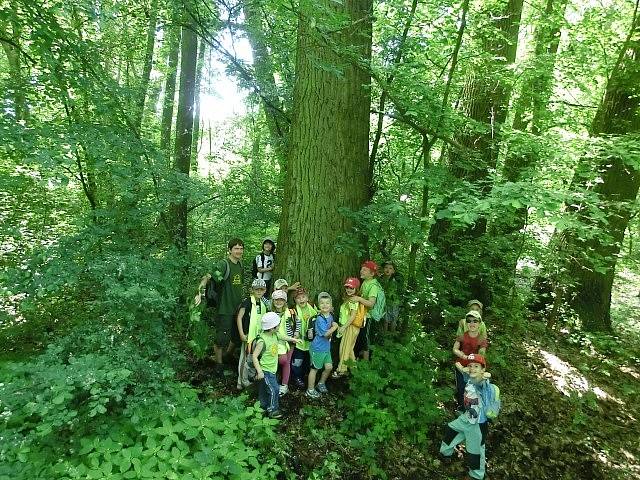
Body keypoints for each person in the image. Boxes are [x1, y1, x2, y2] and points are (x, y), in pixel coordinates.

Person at [440, 354, 500, 480]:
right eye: (470, 366)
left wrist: (483, 376)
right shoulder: (468, 378)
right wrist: (463, 366)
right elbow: (460, 366)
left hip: (477, 424)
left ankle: (476, 476)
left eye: (476, 366)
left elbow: (481, 382)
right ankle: (445, 454)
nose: (472, 368)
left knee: (475, 451)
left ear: (483, 369)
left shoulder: (483, 384)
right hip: (466, 418)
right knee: (451, 430)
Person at [194, 238, 245, 375]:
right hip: (225, 308)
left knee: (236, 336)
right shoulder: (224, 265)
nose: (239, 251)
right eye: (236, 248)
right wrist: (199, 292)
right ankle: (218, 363)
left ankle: (227, 356)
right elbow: (208, 276)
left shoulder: (239, 264)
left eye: (241, 248)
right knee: (222, 337)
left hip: (238, 308)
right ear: (230, 250)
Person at [253, 312, 301, 419]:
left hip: (272, 369)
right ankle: (272, 410)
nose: (279, 326)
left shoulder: (275, 334)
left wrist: (294, 339)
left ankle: (263, 406)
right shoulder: (262, 340)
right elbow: (255, 356)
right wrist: (260, 371)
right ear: (271, 328)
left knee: (264, 389)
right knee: (274, 389)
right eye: (278, 325)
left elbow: (283, 337)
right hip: (265, 371)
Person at [234, 278, 268, 390]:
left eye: (261, 289)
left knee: (253, 358)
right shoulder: (247, 302)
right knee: (244, 358)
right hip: (248, 335)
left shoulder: (263, 303)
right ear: (252, 290)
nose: (259, 291)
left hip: (258, 336)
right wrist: (241, 334)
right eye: (256, 289)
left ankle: (249, 378)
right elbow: (239, 317)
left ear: (264, 290)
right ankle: (240, 381)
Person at [453, 310, 488, 410]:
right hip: (461, 366)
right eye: (469, 321)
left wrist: (475, 363)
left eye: (475, 321)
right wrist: (462, 355)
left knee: (474, 389)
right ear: (466, 323)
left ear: (480, 323)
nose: (472, 323)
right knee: (461, 388)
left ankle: (474, 409)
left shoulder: (482, 339)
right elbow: (455, 349)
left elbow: (481, 354)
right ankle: (461, 407)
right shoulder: (462, 336)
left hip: (474, 368)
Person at [306, 292, 338, 398]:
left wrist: (333, 324)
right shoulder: (319, 319)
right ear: (318, 306)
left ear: (331, 306)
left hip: (326, 348)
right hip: (318, 348)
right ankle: (310, 390)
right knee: (314, 369)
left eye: (327, 303)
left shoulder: (330, 316)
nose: (325, 305)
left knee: (329, 367)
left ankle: (321, 383)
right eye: (322, 303)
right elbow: (325, 334)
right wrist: (335, 327)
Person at [271, 289, 300, 396]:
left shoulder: (290, 312)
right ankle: (273, 382)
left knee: (285, 362)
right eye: (276, 300)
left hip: (290, 341)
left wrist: (296, 333)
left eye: (281, 300)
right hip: (274, 341)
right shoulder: (271, 313)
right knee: (277, 361)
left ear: (285, 301)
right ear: (273, 301)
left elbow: (298, 322)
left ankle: (284, 385)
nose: (279, 302)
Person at [351, 260, 382, 361]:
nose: (361, 271)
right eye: (361, 269)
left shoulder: (373, 286)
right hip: (362, 315)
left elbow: (371, 303)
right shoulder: (366, 282)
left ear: (372, 273)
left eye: (364, 270)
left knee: (366, 339)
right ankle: (359, 358)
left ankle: (366, 363)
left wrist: (359, 299)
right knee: (360, 338)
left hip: (369, 317)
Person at [333, 277, 363, 378]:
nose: (349, 290)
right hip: (348, 327)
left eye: (352, 288)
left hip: (350, 327)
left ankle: (341, 369)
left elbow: (353, 315)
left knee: (344, 348)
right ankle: (354, 370)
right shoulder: (349, 299)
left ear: (356, 289)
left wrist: (344, 327)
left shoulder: (353, 301)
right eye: (347, 287)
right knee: (349, 349)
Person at [291, 288, 317, 388]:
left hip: (311, 342)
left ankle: (305, 377)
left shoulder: (313, 308)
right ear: (295, 300)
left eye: (303, 297)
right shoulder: (294, 311)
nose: (301, 300)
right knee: (297, 361)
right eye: (298, 298)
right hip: (299, 342)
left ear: (307, 298)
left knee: (308, 361)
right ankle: (296, 377)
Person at [380, 261, 402, 333]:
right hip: (384, 302)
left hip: (394, 302)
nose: (387, 270)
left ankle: (392, 335)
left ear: (393, 271)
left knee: (393, 319)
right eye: (386, 267)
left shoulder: (394, 281)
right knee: (385, 320)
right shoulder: (380, 279)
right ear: (383, 269)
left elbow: (391, 292)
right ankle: (385, 336)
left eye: (390, 268)